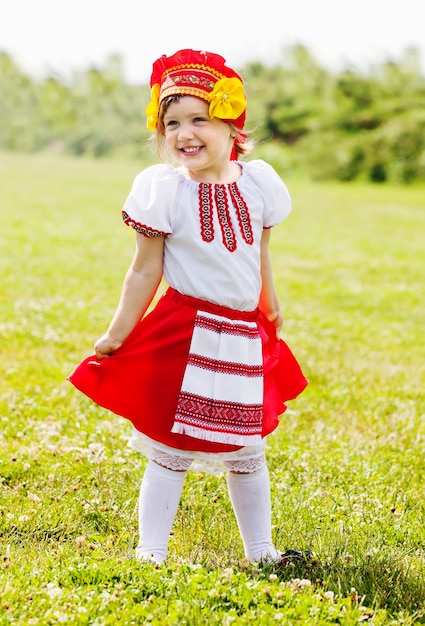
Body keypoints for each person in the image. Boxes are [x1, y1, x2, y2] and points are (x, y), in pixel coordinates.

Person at [68, 49, 309, 566]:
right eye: (172, 122)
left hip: (242, 333)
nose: (185, 133)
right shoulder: (165, 192)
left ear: (231, 127)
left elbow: (260, 251)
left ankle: (262, 550)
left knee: (247, 451)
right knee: (170, 447)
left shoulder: (258, 184)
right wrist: (116, 334)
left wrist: (271, 303)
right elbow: (144, 269)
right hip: (187, 332)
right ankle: (151, 550)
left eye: (199, 119)